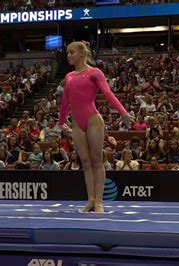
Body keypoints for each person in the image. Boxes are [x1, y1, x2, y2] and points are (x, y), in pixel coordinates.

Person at [58, 41, 132, 213]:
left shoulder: (94, 72)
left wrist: (123, 112)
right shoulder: (68, 76)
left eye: (72, 52)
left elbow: (107, 93)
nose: (68, 55)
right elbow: (65, 102)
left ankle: (99, 201)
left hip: (92, 119)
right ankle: (90, 199)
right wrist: (61, 122)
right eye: (68, 53)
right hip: (77, 122)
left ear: (82, 54)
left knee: (97, 160)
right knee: (85, 162)